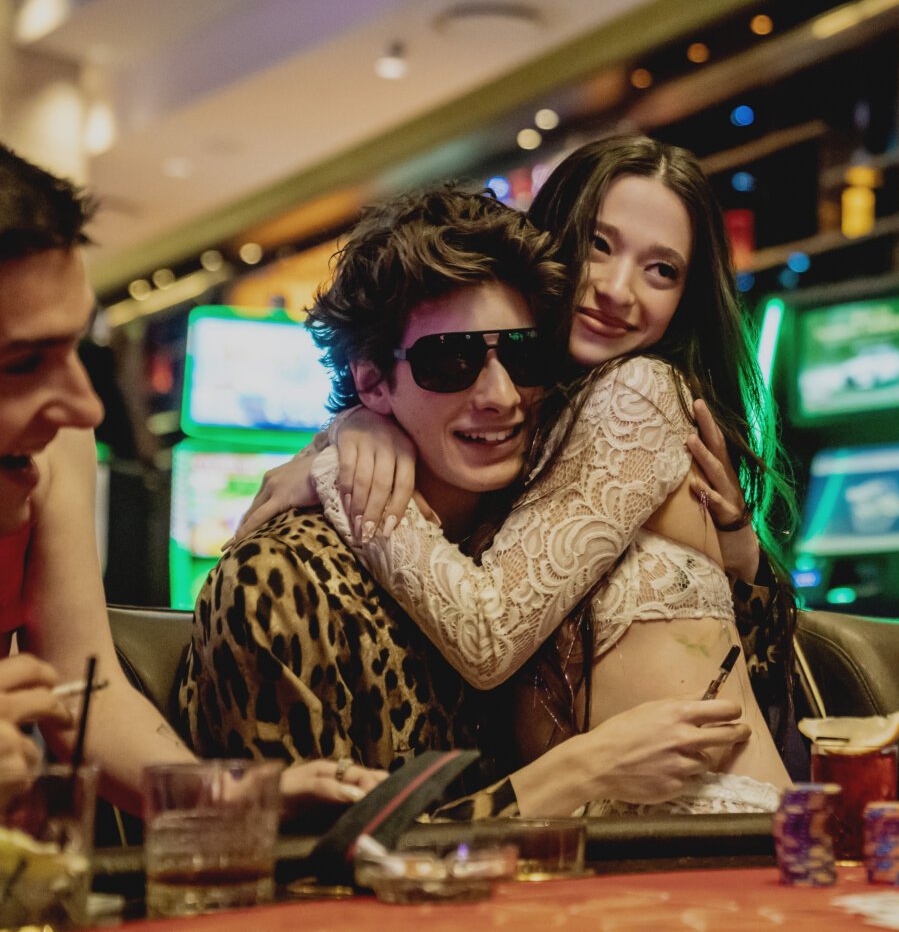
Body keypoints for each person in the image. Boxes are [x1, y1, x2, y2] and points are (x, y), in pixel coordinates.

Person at [236, 136, 800, 811]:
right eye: (599, 244)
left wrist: (339, 472)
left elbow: (490, 634)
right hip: (589, 840)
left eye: (661, 271)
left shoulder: (638, 392)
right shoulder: (537, 423)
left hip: (703, 826)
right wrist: (359, 421)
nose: (618, 290)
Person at [0, 143, 377, 812]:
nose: (85, 407)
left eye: (75, 347)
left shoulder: (57, 444)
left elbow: (86, 690)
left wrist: (242, 793)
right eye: (25, 362)